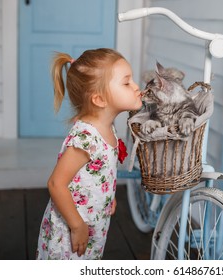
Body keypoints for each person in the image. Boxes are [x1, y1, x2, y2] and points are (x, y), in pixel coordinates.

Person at [36, 48, 142, 260]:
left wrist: (107, 197)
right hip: (69, 232)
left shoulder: (108, 128)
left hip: (93, 226)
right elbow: (56, 184)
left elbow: (98, 174)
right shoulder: (85, 138)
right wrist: (76, 226)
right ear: (100, 99)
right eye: (126, 82)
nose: (136, 87)